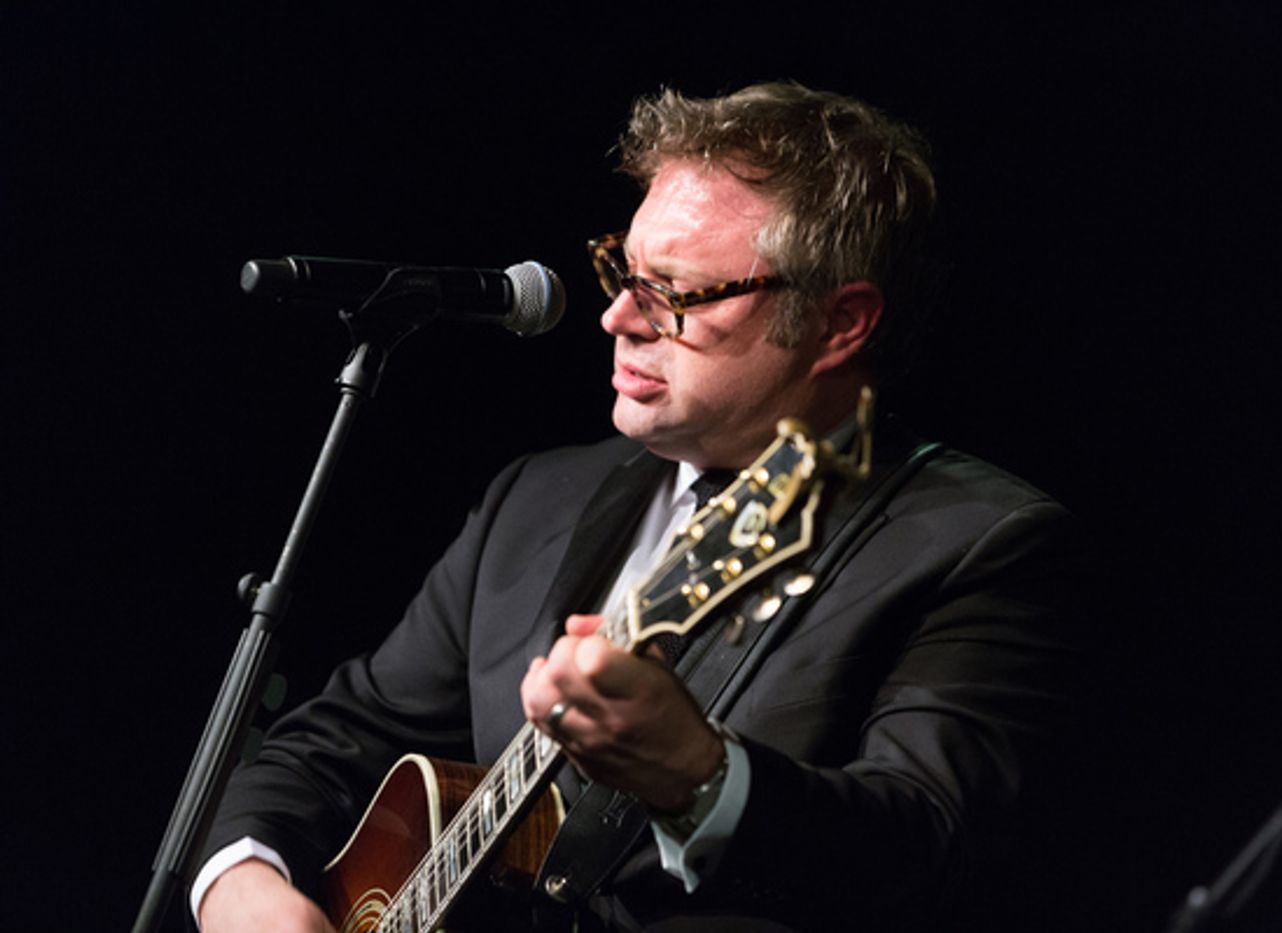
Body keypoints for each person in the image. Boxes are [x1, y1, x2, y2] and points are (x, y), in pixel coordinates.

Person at [194, 81, 1090, 932]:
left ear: (841, 322)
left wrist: (699, 779)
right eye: (619, 271)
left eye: (671, 292)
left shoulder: (979, 545)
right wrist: (242, 875)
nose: (616, 316)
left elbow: (926, 851)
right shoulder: (536, 496)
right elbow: (340, 737)